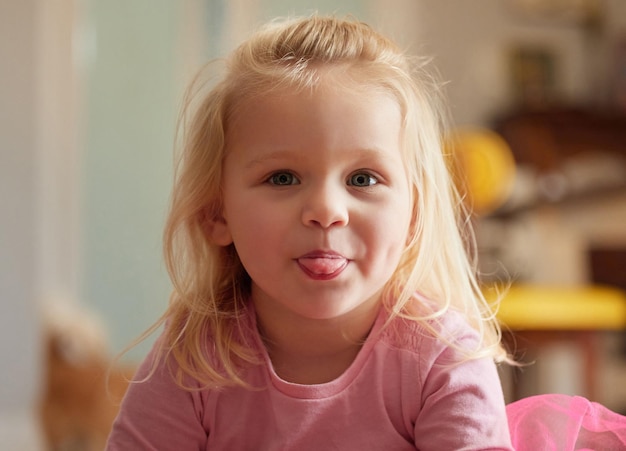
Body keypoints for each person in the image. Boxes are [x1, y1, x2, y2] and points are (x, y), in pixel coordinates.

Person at [106, 15, 514, 450]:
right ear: (216, 212)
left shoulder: (443, 359)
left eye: (362, 179)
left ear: (414, 213)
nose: (326, 211)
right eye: (282, 178)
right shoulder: (195, 358)